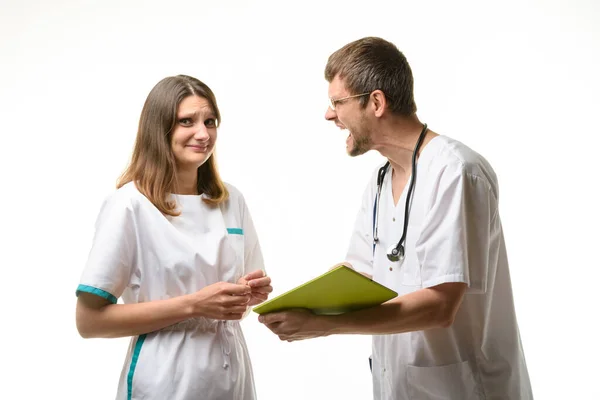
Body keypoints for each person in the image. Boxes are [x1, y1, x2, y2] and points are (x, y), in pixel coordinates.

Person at [259, 37, 533, 399]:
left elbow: (439, 306)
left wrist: (324, 325)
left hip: (463, 388)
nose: (329, 114)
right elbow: (360, 275)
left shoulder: (455, 172)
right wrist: (293, 304)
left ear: (376, 102)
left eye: (337, 102)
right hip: (399, 386)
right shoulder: (380, 179)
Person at [75, 74, 272, 400]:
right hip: (164, 379)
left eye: (210, 121)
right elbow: (89, 321)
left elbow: (241, 300)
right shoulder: (130, 204)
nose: (203, 133)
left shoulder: (230, 200)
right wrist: (194, 304)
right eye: (187, 121)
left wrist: (249, 294)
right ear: (160, 128)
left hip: (231, 375)